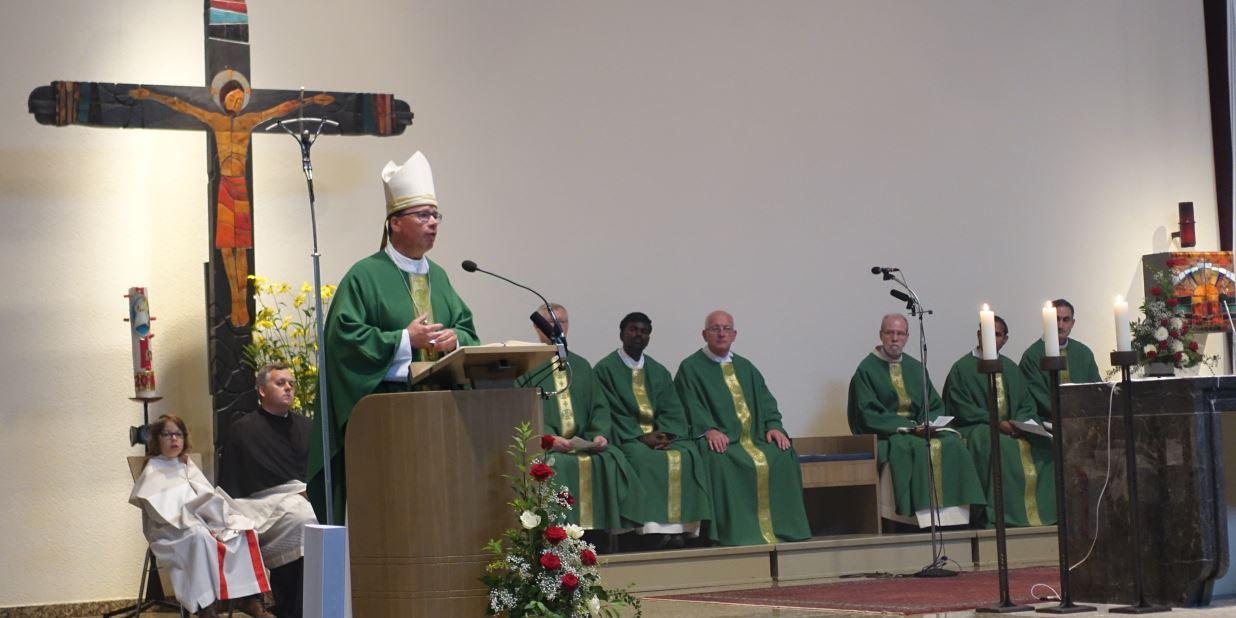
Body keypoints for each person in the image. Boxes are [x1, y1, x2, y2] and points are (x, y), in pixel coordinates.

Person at [308, 151, 479, 521]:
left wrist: (456, 340)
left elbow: (466, 328)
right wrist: (405, 340)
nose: (433, 222)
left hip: (442, 417)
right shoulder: (365, 275)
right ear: (395, 223)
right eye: (423, 215)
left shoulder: (442, 277)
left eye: (435, 215)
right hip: (388, 417)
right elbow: (343, 341)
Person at [674, 310, 810, 546]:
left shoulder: (746, 367)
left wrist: (774, 426)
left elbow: (767, 402)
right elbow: (687, 405)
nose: (721, 333)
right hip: (721, 441)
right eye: (715, 328)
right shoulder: (691, 368)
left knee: (783, 453)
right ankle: (734, 531)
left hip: (755, 439)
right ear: (704, 334)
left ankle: (784, 529)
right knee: (719, 459)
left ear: (734, 334)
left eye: (726, 329)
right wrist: (708, 430)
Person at [516, 304, 641, 542]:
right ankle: (555, 537)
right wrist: (549, 438)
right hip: (548, 446)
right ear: (536, 326)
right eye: (550, 322)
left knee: (612, 459)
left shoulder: (581, 366)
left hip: (582, 444)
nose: (557, 327)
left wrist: (600, 434)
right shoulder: (526, 365)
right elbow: (522, 411)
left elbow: (599, 408)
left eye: (562, 322)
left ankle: (603, 537)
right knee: (555, 465)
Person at [846, 314, 986, 528]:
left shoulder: (915, 367)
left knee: (953, 444)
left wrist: (928, 424)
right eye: (890, 333)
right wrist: (910, 428)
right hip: (890, 433)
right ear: (881, 335)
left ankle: (956, 518)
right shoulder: (866, 369)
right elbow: (866, 413)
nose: (895, 338)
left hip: (921, 430)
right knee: (910, 447)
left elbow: (934, 404)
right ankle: (911, 520)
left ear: (907, 337)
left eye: (900, 333)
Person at [130, 414, 273, 618]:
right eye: (167, 434)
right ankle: (205, 607)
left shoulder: (187, 465)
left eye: (178, 434)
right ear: (156, 439)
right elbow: (159, 512)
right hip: (171, 533)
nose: (174, 439)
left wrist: (212, 512)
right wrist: (192, 516)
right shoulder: (152, 469)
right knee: (200, 537)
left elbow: (207, 495)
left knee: (243, 530)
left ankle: (248, 599)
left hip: (201, 522)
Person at [593, 312, 712, 547]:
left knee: (687, 454)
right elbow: (606, 411)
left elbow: (672, 408)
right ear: (622, 333)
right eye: (633, 330)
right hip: (627, 438)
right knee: (641, 458)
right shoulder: (605, 370)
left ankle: (681, 531)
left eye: (644, 331)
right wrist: (639, 436)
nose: (639, 335)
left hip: (658, 435)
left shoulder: (658, 371)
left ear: (649, 337)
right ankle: (646, 532)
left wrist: (666, 434)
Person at [219, 363, 319, 618]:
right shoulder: (242, 430)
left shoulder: (307, 427)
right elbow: (231, 487)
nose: (288, 387)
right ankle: (293, 609)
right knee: (304, 519)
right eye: (280, 383)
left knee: (313, 514)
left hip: (304, 498)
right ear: (261, 390)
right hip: (260, 505)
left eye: (291, 384)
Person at [942, 315, 1056, 528]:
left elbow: (1026, 403)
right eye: (986, 332)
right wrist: (994, 422)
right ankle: (998, 514)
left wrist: (1018, 423)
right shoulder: (962, 368)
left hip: (1013, 428)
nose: (991, 338)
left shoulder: (1011, 368)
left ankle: (1045, 514)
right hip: (976, 427)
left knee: (1046, 446)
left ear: (1005, 339)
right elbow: (960, 406)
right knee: (1000, 446)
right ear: (978, 335)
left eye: (997, 334)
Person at [1018, 298, 1102, 418]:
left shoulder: (1083, 353)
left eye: (1066, 320)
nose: (1060, 325)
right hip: (1048, 422)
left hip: (1084, 418)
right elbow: (1037, 397)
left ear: (1072, 323)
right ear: (1047, 322)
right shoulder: (1032, 356)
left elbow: (1097, 389)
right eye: (1056, 319)